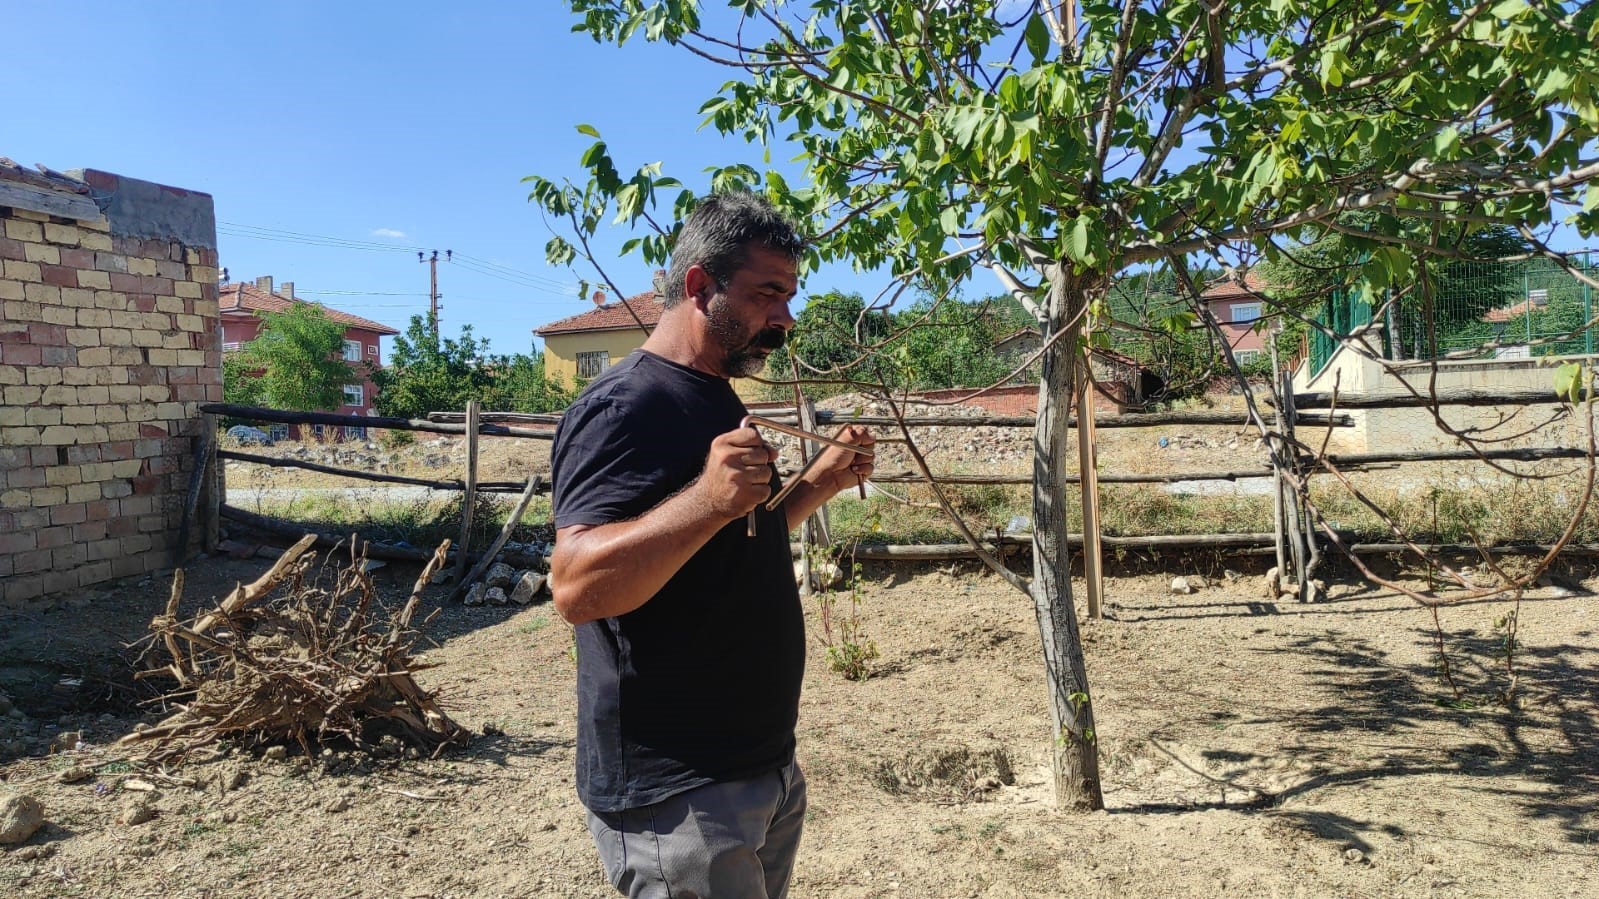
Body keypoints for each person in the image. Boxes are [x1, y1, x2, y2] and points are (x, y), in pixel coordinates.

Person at [549, 191, 875, 899]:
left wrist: (816, 484)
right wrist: (704, 499)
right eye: (767, 293)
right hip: (679, 789)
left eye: (789, 296)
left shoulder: (716, 394)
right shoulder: (623, 405)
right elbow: (574, 588)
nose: (785, 318)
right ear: (699, 285)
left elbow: (728, 545)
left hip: (758, 765)